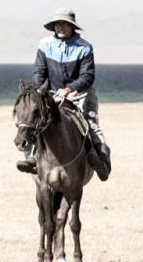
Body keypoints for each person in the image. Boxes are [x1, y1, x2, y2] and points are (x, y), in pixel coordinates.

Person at [18, 9, 111, 180]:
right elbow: (39, 71)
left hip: (80, 94)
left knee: (90, 123)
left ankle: (102, 160)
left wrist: (68, 90)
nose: (59, 27)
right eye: (57, 24)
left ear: (72, 26)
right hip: (52, 93)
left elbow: (87, 76)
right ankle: (31, 157)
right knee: (36, 119)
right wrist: (40, 91)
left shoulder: (84, 47)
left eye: (64, 24)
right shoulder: (45, 44)